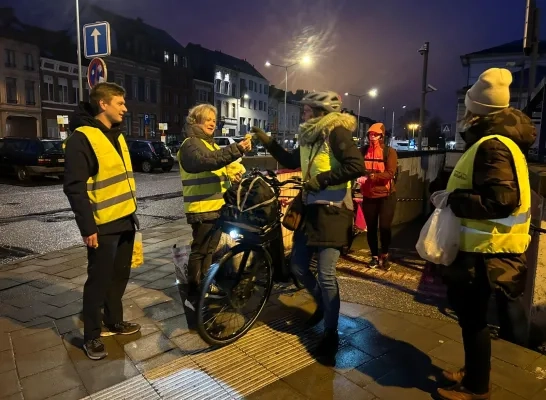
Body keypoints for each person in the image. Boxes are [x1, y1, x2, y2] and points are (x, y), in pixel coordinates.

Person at [435, 68, 535, 400]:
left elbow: (501, 201)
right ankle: (474, 372)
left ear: (477, 108)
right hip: (490, 248)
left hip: (486, 251)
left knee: (474, 321)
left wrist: (453, 199)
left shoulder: (492, 146)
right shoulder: (502, 142)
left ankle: (476, 388)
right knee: (473, 320)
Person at [251, 91, 365, 360]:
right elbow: (292, 161)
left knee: (326, 275)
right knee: (298, 266)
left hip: (334, 212)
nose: (302, 114)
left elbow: (356, 165)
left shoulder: (336, 133)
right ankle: (324, 305)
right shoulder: (310, 136)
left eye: (305, 110)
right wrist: (267, 141)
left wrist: (321, 180)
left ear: (319, 111)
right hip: (311, 211)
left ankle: (331, 333)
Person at [63, 82, 141, 360]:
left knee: (120, 275)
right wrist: (88, 227)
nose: (125, 108)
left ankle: (114, 321)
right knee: (98, 280)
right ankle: (92, 336)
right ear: (103, 104)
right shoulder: (81, 138)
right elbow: (74, 187)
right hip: (102, 225)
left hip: (125, 220)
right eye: (120, 103)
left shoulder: (117, 135)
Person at [177, 104, 252, 325]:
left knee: (209, 249)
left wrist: (231, 178)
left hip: (213, 206)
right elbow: (205, 163)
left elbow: (216, 171)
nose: (212, 123)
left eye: (214, 119)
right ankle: (194, 290)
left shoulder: (206, 144)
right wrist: (236, 150)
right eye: (207, 119)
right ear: (195, 122)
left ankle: (204, 286)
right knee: (199, 250)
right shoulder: (190, 145)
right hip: (201, 207)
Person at [358, 123, 398, 270]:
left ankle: (385, 255)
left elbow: (390, 173)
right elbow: (356, 167)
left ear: (382, 136)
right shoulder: (362, 151)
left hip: (386, 195)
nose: (372, 137)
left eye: (375, 134)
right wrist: (359, 175)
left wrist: (370, 177)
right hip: (369, 195)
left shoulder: (389, 152)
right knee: (372, 228)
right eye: (370, 134)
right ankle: (374, 256)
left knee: (385, 227)